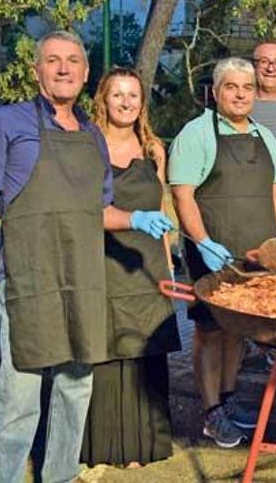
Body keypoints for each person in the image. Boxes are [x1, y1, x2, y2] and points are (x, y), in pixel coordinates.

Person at [0, 31, 172, 483]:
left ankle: (59, 474)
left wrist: (135, 219)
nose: (63, 69)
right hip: (29, 280)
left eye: (73, 61)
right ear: (36, 70)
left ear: (85, 72)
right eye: (52, 60)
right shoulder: (7, 122)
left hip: (84, 280)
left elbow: (98, 211)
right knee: (19, 393)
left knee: (76, 385)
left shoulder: (93, 137)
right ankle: (8, 478)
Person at [169, 57, 276, 447]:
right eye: (231, 87)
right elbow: (182, 194)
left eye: (247, 88)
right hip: (213, 253)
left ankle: (229, 397)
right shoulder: (197, 133)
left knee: (238, 331)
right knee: (210, 332)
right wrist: (202, 241)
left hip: (254, 258)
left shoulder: (265, 136)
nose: (240, 94)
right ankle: (210, 413)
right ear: (216, 92)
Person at [80, 68, 181, 468]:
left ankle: (144, 446)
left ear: (142, 102)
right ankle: (105, 446)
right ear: (103, 99)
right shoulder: (88, 145)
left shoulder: (154, 148)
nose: (126, 102)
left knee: (146, 352)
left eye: (133, 96)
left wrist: (169, 267)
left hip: (148, 265)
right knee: (107, 353)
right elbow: (84, 210)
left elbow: (160, 207)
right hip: (103, 261)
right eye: (117, 95)